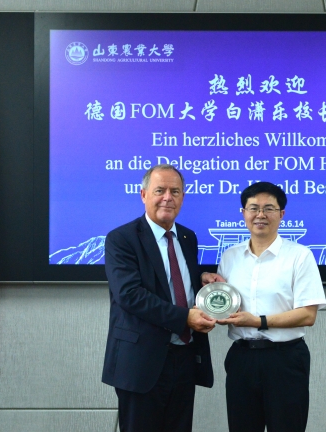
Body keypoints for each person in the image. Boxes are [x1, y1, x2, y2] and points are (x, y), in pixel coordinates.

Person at [102, 164, 220, 432]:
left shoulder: (188, 237)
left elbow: (174, 278)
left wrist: (201, 277)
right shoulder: (121, 238)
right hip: (141, 362)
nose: (168, 197)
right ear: (143, 195)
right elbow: (130, 295)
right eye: (160, 190)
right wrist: (185, 318)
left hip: (185, 358)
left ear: (183, 197)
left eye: (175, 191)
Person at [215, 181, 326, 432]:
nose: (260, 215)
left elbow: (308, 315)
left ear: (281, 214)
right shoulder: (230, 256)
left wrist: (258, 322)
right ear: (243, 213)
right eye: (253, 208)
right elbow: (223, 305)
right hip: (241, 359)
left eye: (269, 208)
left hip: (285, 360)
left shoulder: (300, 256)